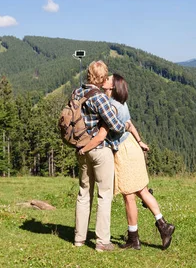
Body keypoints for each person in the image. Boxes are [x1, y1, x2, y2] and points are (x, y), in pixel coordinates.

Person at [78, 73, 175, 250]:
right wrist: (139, 141)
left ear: (112, 87)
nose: (104, 80)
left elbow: (103, 134)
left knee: (129, 195)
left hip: (123, 151)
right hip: (131, 146)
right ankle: (161, 226)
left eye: (108, 79)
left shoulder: (111, 106)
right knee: (141, 191)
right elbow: (129, 124)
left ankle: (136, 238)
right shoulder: (121, 103)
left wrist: (84, 149)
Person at [72, 61, 129, 252]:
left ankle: (79, 238)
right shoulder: (100, 98)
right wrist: (125, 125)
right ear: (103, 78)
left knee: (83, 193)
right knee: (104, 194)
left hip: (82, 149)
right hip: (100, 149)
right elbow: (116, 125)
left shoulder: (76, 93)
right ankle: (102, 241)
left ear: (89, 75)